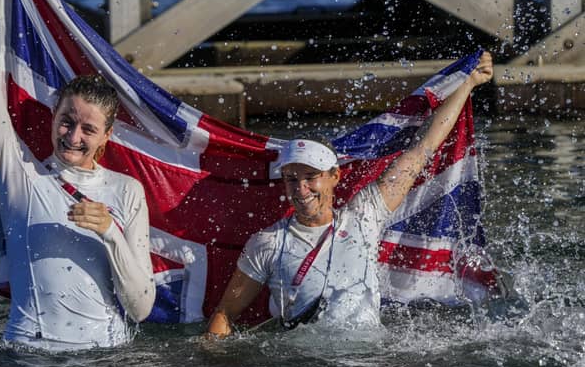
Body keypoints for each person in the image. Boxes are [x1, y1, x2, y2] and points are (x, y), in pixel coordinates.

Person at [206, 52, 494, 337]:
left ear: (334, 177)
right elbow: (225, 314)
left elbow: (423, 149)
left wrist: (467, 84)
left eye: (311, 177)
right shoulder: (268, 243)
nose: (300, 189)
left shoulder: (366, 214)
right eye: (291, 179)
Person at [0, 0, 156, 350]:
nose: (73, 136)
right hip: (30, 359)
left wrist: (110, 231)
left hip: (107, 359)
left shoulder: (126, 192)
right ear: (54, 116)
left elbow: (142, 307)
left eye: (88, 129)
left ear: (107, 137)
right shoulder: (18, 174)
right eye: (67, 121)